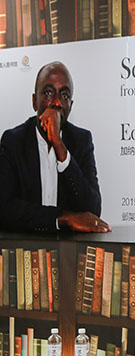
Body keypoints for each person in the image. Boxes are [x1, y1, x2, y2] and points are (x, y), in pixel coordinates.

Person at [0, 61, 111, 233]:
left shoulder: (81, 140)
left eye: (64, 95)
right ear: (34, 101)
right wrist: (62, 219)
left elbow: (93, 210)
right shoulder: (14, 141)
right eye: (48, 93)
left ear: (70, 106)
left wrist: (60, 148)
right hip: (27, 245)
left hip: (68, 248)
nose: (57, 102)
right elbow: (5, 208)